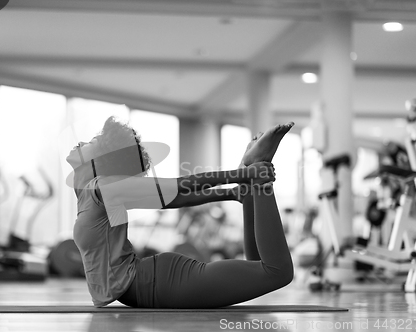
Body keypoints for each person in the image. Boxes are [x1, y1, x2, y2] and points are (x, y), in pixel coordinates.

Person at [66, 116, 295, 308]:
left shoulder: (103, 187)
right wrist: (232, 193)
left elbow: (178, 185)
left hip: (158, 283)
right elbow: (172, 199)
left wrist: (239, 176)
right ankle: (253, 174)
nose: (82, 143)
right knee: (258, 267)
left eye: (91, 141)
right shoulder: (91, 193)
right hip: (153, 282)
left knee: (277, 272)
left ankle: (258, 173)